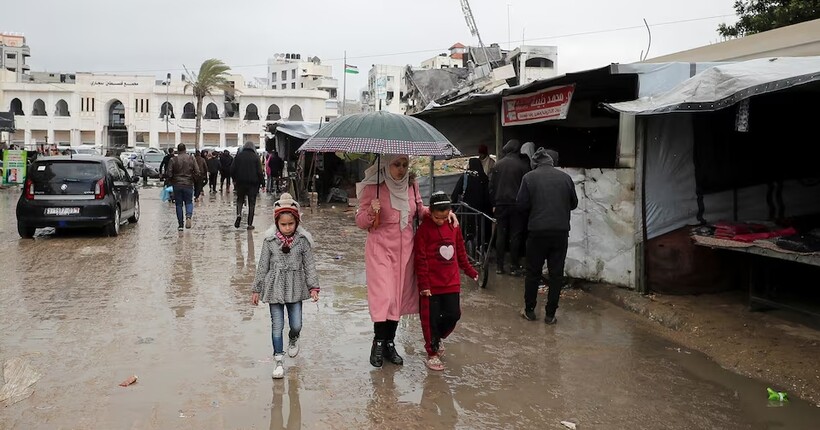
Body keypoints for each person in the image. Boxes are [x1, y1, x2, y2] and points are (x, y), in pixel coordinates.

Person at [356, 154, 456, 368]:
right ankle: (379, 341)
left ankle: (390, 343)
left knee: (398, 297)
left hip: (406, 251)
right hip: (380, 250)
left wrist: (444, 213)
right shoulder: (373, 187)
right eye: (396, 165)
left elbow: (420, 211)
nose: (401, 169)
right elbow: (361, 222)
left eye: (404, 164)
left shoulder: (411, 186)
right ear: (385, 165)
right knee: (385, 296)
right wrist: (371, 213)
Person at [251, 193, 320, 379]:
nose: (287, 227)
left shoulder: (303, 241)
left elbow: (310, 265)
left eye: (291, 223)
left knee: (296, 324)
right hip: (275, 287)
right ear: (277, 223)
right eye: (283, 224)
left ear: (297, 222)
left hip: (296, 287)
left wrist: (313, 287)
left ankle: (293, 338)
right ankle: (278, 361)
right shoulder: (270, 241)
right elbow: (262, 265)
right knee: (277, 325)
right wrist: (256, 289)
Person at [414, 192, 478, 371]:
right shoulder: (423, 231)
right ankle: (432, 352)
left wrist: (470, 271)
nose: (441, 221)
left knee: (454, 314)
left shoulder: (454, 226)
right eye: (436, 217)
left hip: (451, 282)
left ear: (450, 212)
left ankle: (437, 337)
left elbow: (460, 251)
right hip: (431, 286)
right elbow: (420, 260)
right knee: (430, 319)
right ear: (430, 212)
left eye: (444, 217)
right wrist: (424, 285)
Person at [517, 148, 578, 324]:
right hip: (560, 233)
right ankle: (550, 315)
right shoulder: (565, 178)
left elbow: (521, 205)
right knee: (556, 274)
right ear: (551, 162)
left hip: (537, 232)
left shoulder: (529, 178)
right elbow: (574, 204)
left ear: (534, 163)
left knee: (533, 272)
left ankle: (529, 311)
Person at [488, 139, 530, 276]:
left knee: (501, 234)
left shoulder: (497, 165)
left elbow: (491, 187)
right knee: (515, 235)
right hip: (517, 206)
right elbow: (526, 188)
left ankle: (500, 267)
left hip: (500, 205)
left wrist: (493, 203)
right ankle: (514, 265)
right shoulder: (523, 166)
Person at [451, 157, 491, 244]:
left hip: (466, 210)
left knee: (466, 231)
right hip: (480, 211)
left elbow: (456, 192)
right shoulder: (484, 178)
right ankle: (479, 248)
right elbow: (488, 196)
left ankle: (466, 248)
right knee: (479, 232)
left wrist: (452, 205)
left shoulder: (465, 176)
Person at [166, 143, 200, 231]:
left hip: (177, 184)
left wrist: (171, 180)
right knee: (189, 202)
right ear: (185, 149)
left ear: (178, 150)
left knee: (179, 205)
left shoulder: (173, 160)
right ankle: (188, 216)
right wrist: (193, 179)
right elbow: (197, 171)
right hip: (188, 184)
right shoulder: (191, 158)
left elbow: (169, 173)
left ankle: (180, 225)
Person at [231, 142, 265, 230]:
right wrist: (263, 184)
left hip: (240, 183)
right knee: (251, 203)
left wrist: (234, 179)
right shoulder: (256, 157)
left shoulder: (238, 157)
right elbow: (260, 172)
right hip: (253, 184)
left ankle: (239, 214)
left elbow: (232, 169)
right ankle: (249, 224)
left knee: (240, 200)